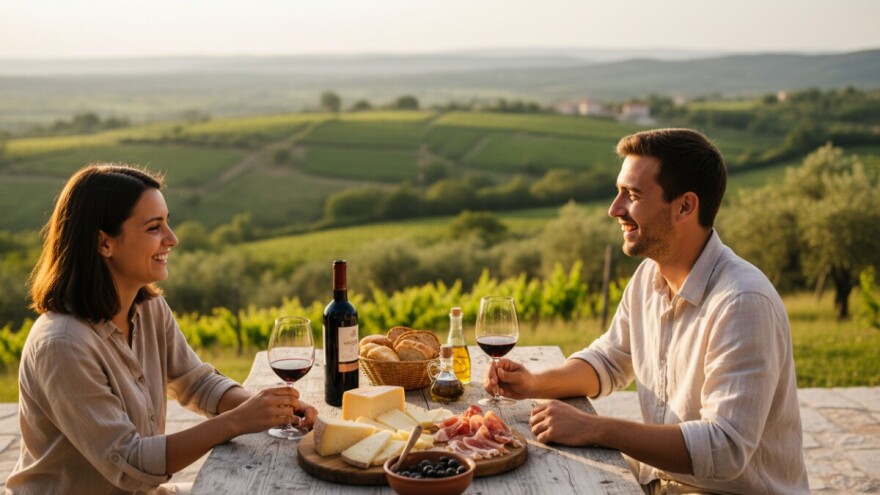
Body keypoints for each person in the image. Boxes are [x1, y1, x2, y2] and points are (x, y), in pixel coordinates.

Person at [485, 129, 809, 494]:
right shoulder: (648, 277)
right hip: (658, 484)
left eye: (633, 195)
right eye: (619, 191)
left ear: (685, 206)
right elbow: (609, 360)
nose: (615, 209)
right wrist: (534, 383)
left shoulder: (742, 302)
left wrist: (594, 428)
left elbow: (725, 450)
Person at [7, 164, 318, 495]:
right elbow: (132, 464)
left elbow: (197, 382)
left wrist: (269, 408)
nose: (172, 239)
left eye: (167, 223)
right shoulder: (62, 345)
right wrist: (239, 421)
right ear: (104, 242)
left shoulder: (148, 308)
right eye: (155, 228)